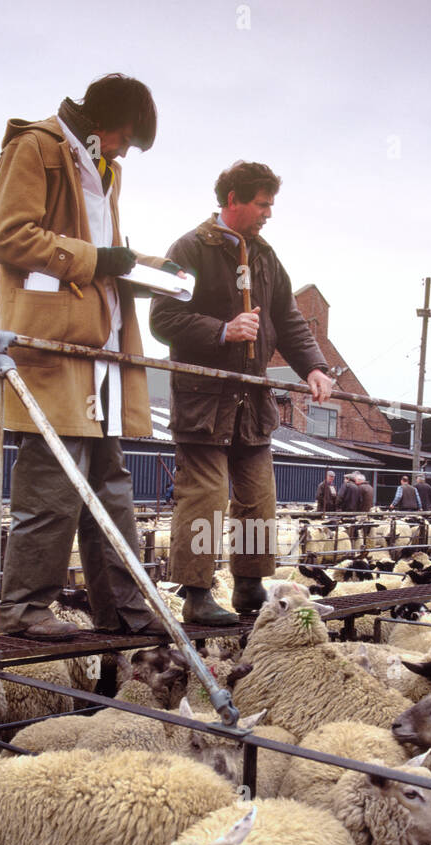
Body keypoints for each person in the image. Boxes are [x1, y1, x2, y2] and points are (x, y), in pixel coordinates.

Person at [0, 73, 173, 638]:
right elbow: (9, 235)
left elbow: (100, 255)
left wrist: (146, 270)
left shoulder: (102, 170)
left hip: (103, 349)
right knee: (51, 480)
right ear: (100, 122)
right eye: (125, 139)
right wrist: (103, 260)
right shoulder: (36, 146)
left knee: (108, 483)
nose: (123, 152)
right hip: (51, 344)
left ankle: (126, 609)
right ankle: (21, 608)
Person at [149, 160, 335, 624]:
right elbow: (162, 319)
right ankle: (196, 594)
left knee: (257, 496)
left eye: (271, 203)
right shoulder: (189, 248)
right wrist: (223, 330)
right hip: (204, 399)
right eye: (261, 203)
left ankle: (250, 587)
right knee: (205, 497)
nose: (269, 212)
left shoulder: (267, 257)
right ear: (232, 199)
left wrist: (313, 366)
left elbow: (289, 321)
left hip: (252, 401)